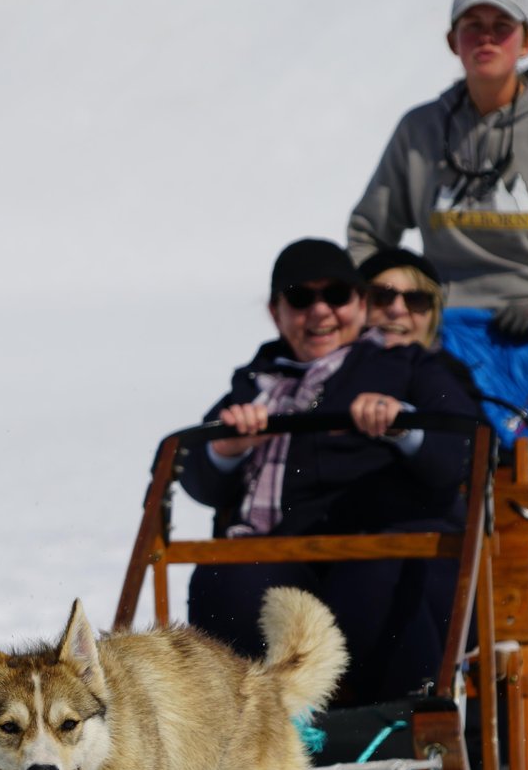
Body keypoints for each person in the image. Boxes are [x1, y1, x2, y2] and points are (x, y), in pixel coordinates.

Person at [181, 238, 478, 703]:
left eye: (336, 296)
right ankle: (241, 726)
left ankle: (403, 718)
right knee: (225, 577)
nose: (320, 312)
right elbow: (197, 478)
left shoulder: (406, 366)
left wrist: (402, 425)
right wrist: (230, 447)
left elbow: (459, 449)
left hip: (389, 543)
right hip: (285, 550)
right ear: (277, 312)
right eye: (301, 298)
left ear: (360, 305)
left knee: (377, 575)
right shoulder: (256, 383)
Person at [348, 0, 528, 445]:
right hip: (444, 323)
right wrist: (391, 304)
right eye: (473, 26)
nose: (486, 38)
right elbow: (367, 234)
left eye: (502, 27)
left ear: (526, 42)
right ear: (454, 41)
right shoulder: (421, 129)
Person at [358, 248, 445, 349]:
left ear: (433, 317)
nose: (397, 310)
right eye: (382, 296)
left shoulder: (449, 365)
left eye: (416, 300)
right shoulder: (338, 363)